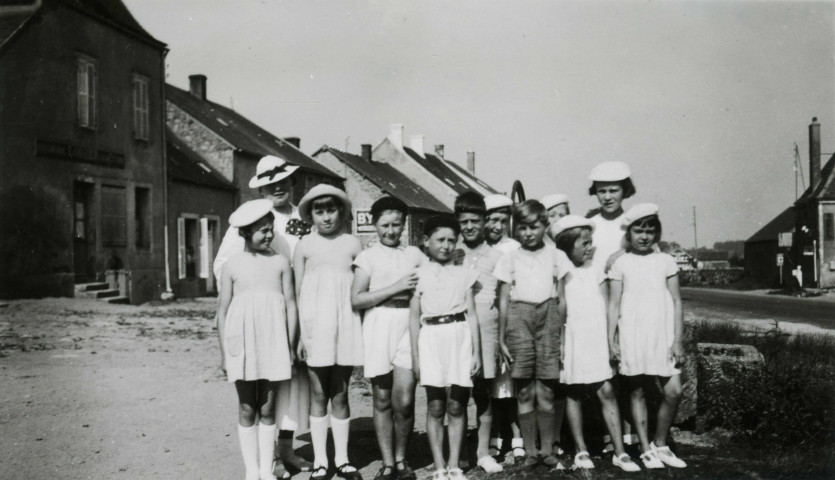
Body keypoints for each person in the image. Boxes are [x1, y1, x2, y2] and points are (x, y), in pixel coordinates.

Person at [212, 155, 312, 478]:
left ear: (291, 182)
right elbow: (224, 266)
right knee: (263, 393)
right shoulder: (249, 218)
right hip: (259, 315)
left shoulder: (302, 216)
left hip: (295, 310)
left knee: (293, 389)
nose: (278, 188)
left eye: (283, 182)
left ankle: (285, 450)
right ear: (261, 190)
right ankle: (268, 463)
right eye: (271, 185)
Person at [551, 216, 641, 472]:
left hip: (596, 337)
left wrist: (611, 338)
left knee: (607, 390)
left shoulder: (596, 268)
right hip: (572, 337)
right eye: (584, 244)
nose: (590, 248)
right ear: (567, 246)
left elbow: (607, 305)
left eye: (590, 242)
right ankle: (580, 450)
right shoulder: (559, 271)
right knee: (574, 392)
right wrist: (560, 342)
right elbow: (558, 308)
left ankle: (619, 452)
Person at [608, 204, 687, 470]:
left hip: (662, 335)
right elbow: (613, 305)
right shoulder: (621, 263)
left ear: (657, 233)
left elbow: (676, 301)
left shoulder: (665, 261)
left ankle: (660, 443)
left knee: (674, 391)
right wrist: (611, 339)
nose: (644, 236)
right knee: (637, 390)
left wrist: (678, 340)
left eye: (649, 231)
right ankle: (644, 448)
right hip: (632, 334)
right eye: (638, 231)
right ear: (629, 233)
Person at [294, 184, 364, 480]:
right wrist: (299, 334)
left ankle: (343, 459)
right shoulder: (304, 245)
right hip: (315, 326)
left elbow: (361, 287)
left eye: (331, 210)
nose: (326, 217)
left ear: (341, 212)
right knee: (319, 393)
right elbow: (296, 292)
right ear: (310, 215)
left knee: (341, 392)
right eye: (319, 211)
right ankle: (321, 461)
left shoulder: (352, 244)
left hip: (345, 323)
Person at [351, 196, 423, 480]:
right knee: (382, 398)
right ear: (374, 224)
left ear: (404, 224)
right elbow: (357, 299)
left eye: (396, 224)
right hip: (378, 324)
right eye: (385, 225)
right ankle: (388, 462)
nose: (391, 231)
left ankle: (402, 459)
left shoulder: (414, 254)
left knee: (404, 399)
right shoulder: (367, 257)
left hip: (409, 324)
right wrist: (396, 286)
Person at [495, 200, 569, 471]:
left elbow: (562, 300)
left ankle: (547, 450)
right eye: (523, 227)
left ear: (545, 226)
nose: (528, 233)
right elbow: (503, 300)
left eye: (534, 227)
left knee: (547, 390)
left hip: (548, 318)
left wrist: (562, 337)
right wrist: (502, 338)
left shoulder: (556, 256)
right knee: (525, 390)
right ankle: (530, 453)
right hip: (518, 319)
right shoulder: (509, 257)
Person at [410, 215, 482, 480]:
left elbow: (471, 315)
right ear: (426, 241)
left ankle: (454, 464)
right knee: (435, 406)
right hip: (431, 337)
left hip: (458, 336)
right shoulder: (418, 276)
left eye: (452, 240)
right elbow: (413, 318)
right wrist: (416, 357)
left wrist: (476, 352)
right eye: (440, 239)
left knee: (457, 405)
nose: (446, 245)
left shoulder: (464, 274)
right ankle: (439, 465)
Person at [586, 160, 637, 450]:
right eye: (601, 191)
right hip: (597, 303)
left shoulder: (633, 222)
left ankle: (631, 431)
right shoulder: (590, 224)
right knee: (605, 369)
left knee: (630, 368)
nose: (607, 197)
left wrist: (622, 253)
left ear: (625, 190)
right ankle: (608, 434)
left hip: (628, 301)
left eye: (613, 190)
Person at [453, 192, 505, 474]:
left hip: (486, 328)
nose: (470, 226)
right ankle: (460, 453)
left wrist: (501, 339)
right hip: (457, 327)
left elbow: (503, 300)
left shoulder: (497, 256)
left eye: (475, 221)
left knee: (484, 393)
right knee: (458, 394)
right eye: (464, 222)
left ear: (485, 221)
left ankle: (483, 452)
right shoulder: (452, 253)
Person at [481, 194, 524, 463]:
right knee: (491, 384)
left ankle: (518, 437)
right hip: (489, 321)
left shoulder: (514, 248)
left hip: (512, 319)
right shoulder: (480, 248)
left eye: (502, 220)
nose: (497, 226)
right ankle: (495, 435)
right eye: (492, 220)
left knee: (513, 383)